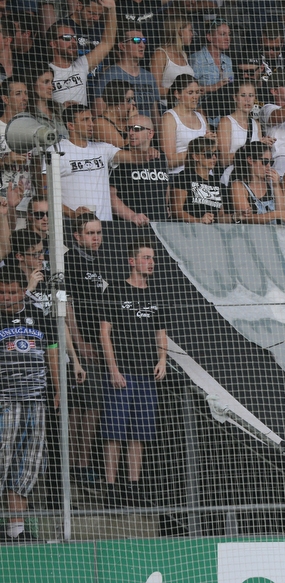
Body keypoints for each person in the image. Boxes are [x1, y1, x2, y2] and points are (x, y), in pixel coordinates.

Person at [100, 241, 168, 507]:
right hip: (122, 372)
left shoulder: (156, 294)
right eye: (145, 258)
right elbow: (104, 332)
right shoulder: (115, 290)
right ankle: (111, 488)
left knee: (139, 434)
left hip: (146, 374)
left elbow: (161, 332)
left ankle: (133, 487)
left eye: (152, 258)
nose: (150, 262)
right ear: (132, 261)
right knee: (114, 431)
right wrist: (113, 369)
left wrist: (162, 358)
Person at [0, 265, 58, 541]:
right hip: (4, 403)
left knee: (26, 465)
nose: (6, 297)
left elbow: (53, 351)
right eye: (1, 292)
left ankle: (17, 530)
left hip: (35, 402)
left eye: (11, 292)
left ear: (22, 292)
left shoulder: (38, 316)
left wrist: (58, 389)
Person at [63, 214, 108, 485]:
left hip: (99, 345)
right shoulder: (70, 262)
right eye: (90, 233)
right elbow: (66, 304)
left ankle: (84, 462)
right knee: (77, 407)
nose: (96, 238)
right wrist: (79, 345)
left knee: (93, 407)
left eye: (98, 232)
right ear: (77, 237)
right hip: (78, 347)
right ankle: (72, 468)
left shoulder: (102, 261)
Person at [57, 105, 149, 221]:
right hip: (74, 227)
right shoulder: (56, 151)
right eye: (85, 120)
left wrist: (146, 153)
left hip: (105, 227)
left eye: (91, 119)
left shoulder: (103, 149)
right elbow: (46, 193)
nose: (92, 124)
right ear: (71, 125)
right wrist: (71, 213)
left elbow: (133, 158)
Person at [230, 141, 285, 225]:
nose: (268, 166)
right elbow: (247, 218)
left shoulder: (270, 183)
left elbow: (284, 210)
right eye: (265, 161)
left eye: (271, 162)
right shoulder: (238, 186)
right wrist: (276, 214)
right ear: (250, 160)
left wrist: (276, 185)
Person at [111, 115, 167, 224]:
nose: (131, 133)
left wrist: (167, 206)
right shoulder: (121, 156)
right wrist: (132, 216)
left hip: (159, 225)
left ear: (150, 133)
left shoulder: (160, 156)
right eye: (128, 128)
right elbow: (111, 195)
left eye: (137, 128)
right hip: (131, 225)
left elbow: (165, 185)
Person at [159, 74, 209, 175]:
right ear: (177, 94)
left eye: (197, 92)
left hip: (205, 176)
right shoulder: (169, 118)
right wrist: (199, 150)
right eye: (190, 93)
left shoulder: (201, 117)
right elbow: (169, 161)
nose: (195, 97)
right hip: (181, 176)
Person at [170, 137, 227, 224]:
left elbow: (220, 216)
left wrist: (235, 217)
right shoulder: (185, 177)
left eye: (216, 154)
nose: (214, 157)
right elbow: (176, 210)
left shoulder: (216, 182)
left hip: (212, 232)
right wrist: (198, 220)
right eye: (208, 154)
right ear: (196, 156)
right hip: (188, 231)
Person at [149, 16, 196, 104]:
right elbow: (154, 89)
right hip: (167, 108)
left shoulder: (183, 54)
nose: (192, 34)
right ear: (180, 31)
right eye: (190, 30)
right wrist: (181, 92)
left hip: (186, 109)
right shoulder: (160, 54)